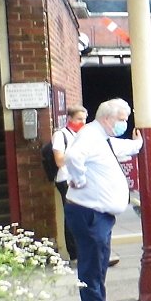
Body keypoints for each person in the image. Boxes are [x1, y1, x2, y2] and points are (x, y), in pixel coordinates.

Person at [64, 98, 143, 301]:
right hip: (89, 212)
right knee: (92, 263)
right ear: (108, 118)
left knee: (98, 262)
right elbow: (72, 157)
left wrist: (137, 144)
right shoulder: (90, 135)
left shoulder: (101, 137)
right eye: (122, 119)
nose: (124, 124)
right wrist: (78, 179)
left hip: (96, 213)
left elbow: (117, 148)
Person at [51, 105, 87, 264]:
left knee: (83, 214)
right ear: (70, 119)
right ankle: (75, 255)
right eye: (79, 119)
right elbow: (59, 160)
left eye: (85, 119)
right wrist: (76, 157)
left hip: (79, 178)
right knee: (72, 215)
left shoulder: (82, 135)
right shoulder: (60, 135)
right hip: (65, 178)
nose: (83, 122)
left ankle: (83, 252)